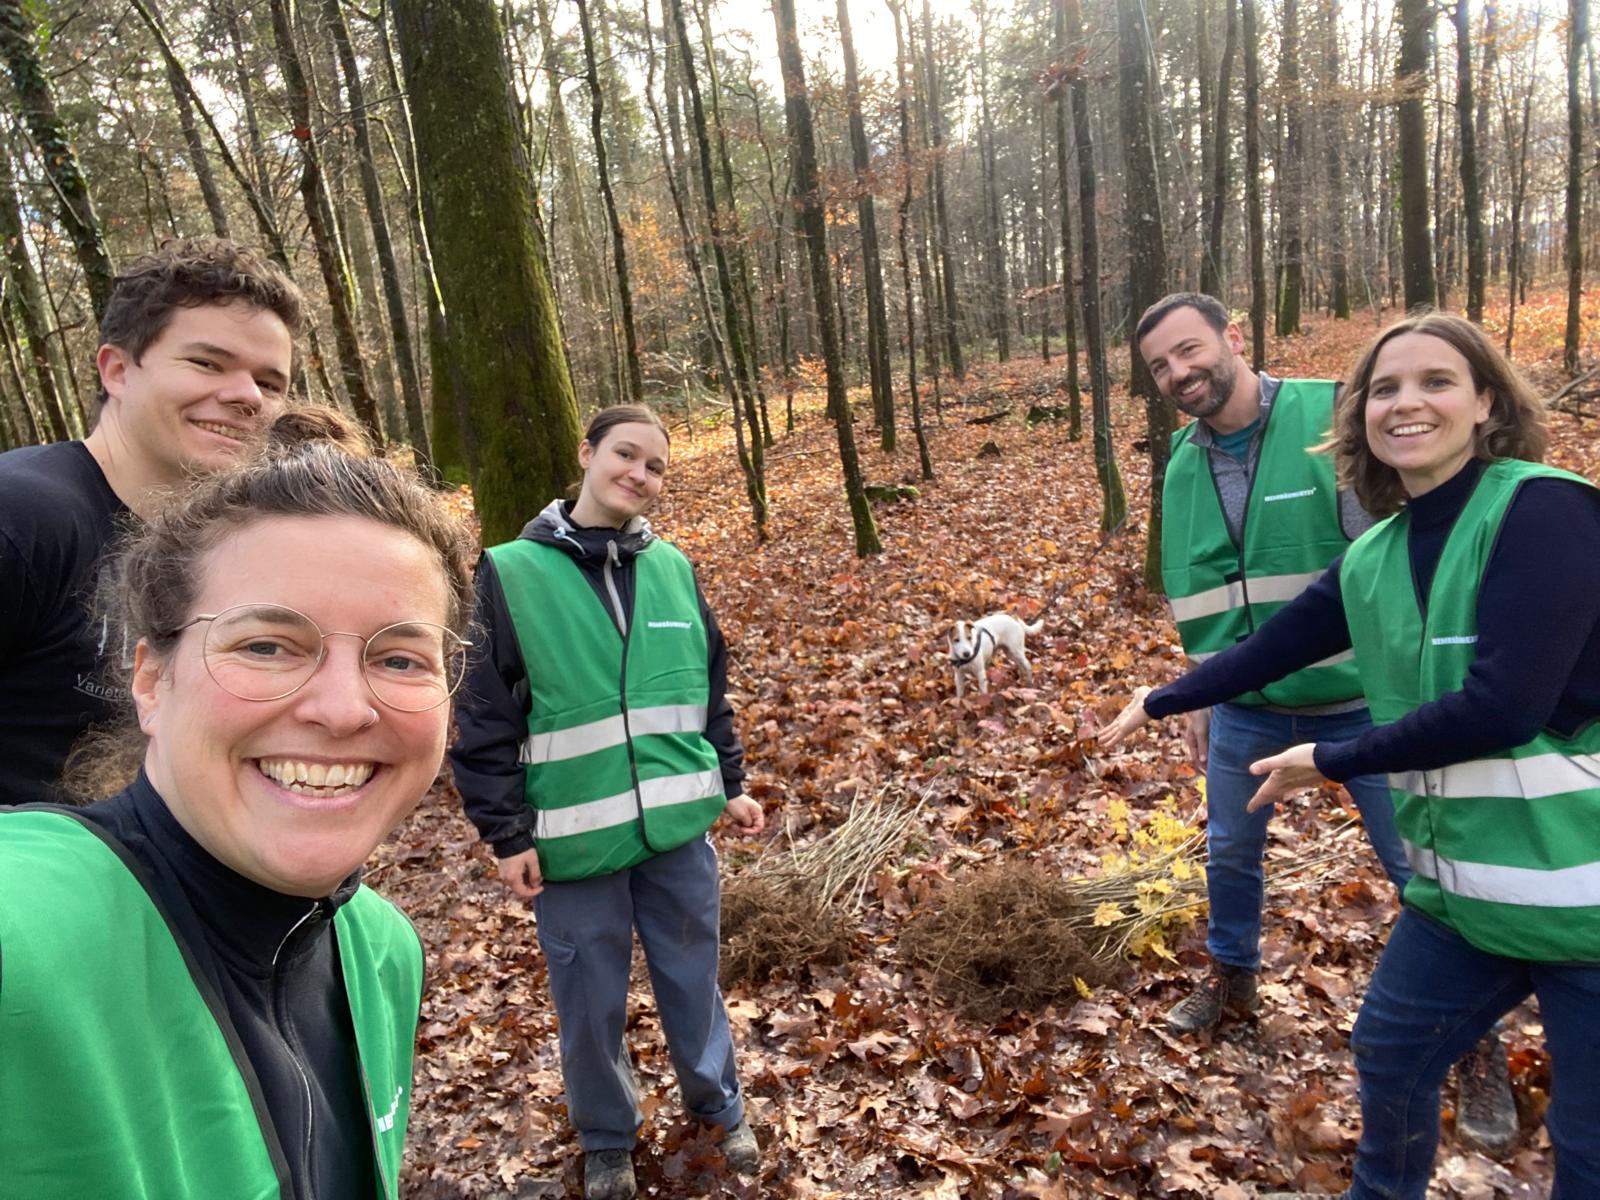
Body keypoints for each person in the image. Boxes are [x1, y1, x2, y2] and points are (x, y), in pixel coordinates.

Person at [1102, 312, 1600, 1198]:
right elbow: (1281, 638)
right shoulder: (1380, 549)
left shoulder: (1544, 510)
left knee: (1588, 1146)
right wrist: (1166, 695)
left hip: (1584, 898)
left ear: (1486, 400)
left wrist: (1332, 758)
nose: (1406, 403)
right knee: (1390, 1053)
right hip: (1464, 895)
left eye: (1435, 382)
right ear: (1361, 413)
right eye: (1383, 389)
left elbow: (1505, 707)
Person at [0, 412, 477, 1199]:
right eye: (267, 644)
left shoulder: (382, 951)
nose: (343, 708)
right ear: (152, 681)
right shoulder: (26, 928)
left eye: (399, 657)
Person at [450, 404, 762, 1200]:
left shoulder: (675, 569)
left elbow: (707, 692)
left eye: (655, 467)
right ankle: (606, 1138)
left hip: (678, 834)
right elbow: (483, 714)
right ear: (587, 455)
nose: (639, 475)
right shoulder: (510, 572)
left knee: (693, 978)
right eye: (626, 455)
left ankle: (719, 1107)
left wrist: (730, 785)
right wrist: (505, 832)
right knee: (589, 1002)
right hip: (574, 841)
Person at [0, 237, 301, 805]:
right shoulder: (22, 519)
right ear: (117, 370)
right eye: (207, 362)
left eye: (269, 383)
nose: (246, 397)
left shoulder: (230, 548)